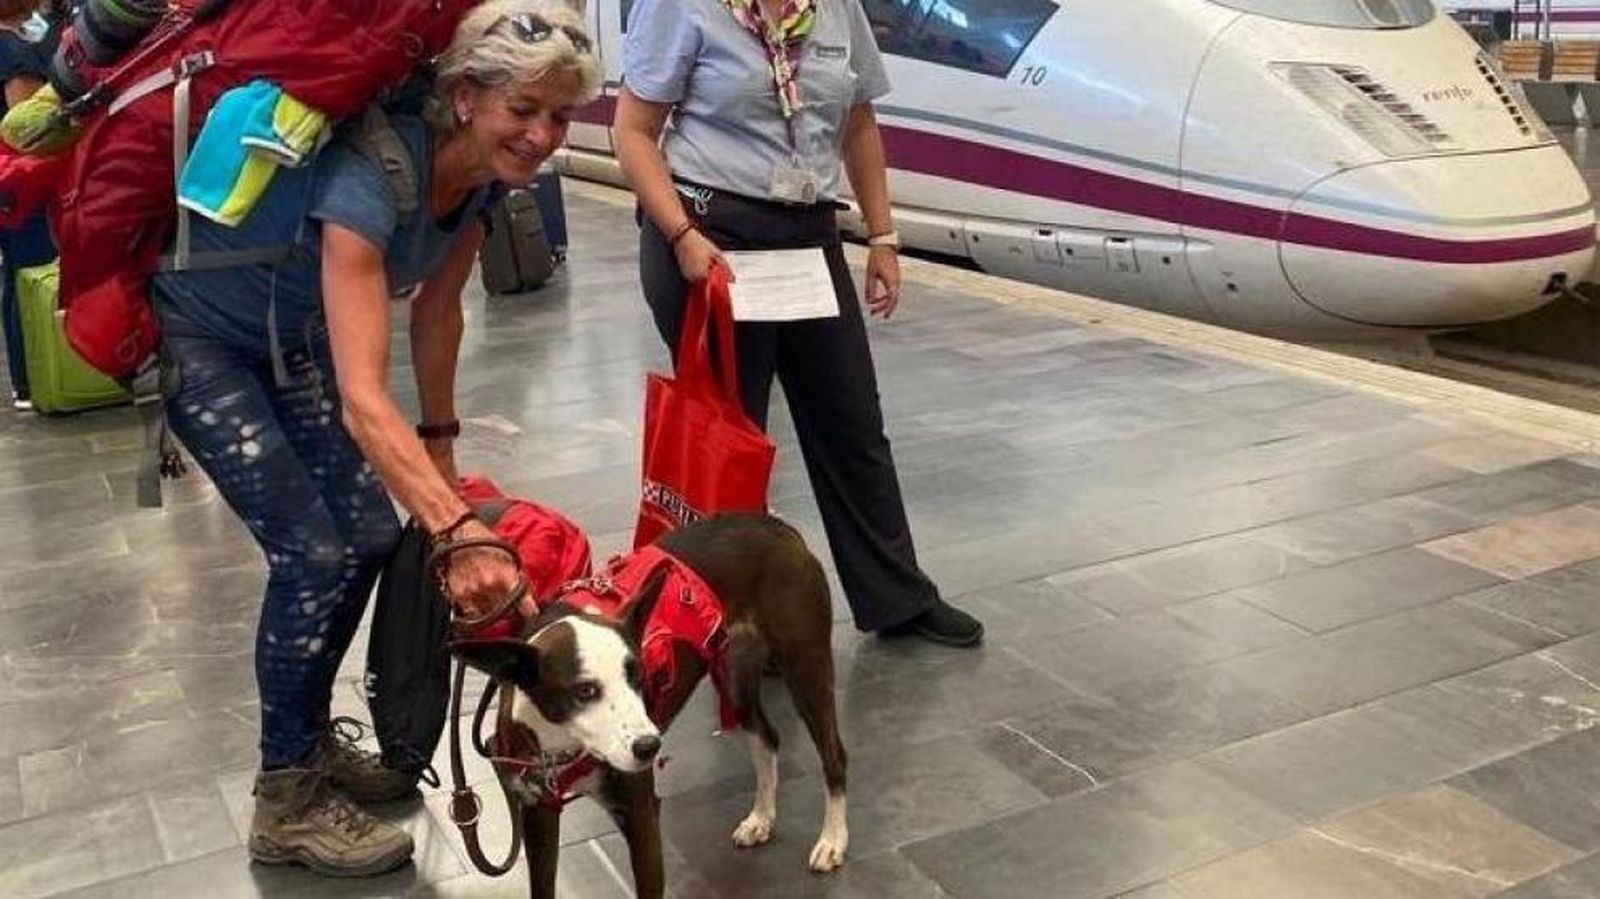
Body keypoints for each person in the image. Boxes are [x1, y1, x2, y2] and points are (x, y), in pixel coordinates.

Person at [149, 0, 599, 876]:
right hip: (205, 340)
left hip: (293, 343)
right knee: (313, 555)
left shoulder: (476, 183)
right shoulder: (370, 172)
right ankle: (286, 798)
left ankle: (306, 737)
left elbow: (437, 312)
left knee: (362, 534)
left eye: (558, 116)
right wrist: (456, 527)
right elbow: (362, 397)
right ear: (466, 97)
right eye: (524, 110)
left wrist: (441, 457)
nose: (543, 136)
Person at [614, 0, 983, 647]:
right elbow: (633, 131)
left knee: (852, 422)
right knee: (734, 436)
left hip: (807, 234)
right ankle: (735, 616)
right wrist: (680, 234)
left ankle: (897, 595)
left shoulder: (836, 8)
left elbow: (858, 121)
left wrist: (883, 235)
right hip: (711, 235)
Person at [0, 0, 60, 411]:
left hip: (6, 183)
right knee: (32, 272)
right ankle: (35, 376)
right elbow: (28, 127)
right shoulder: (14, 52)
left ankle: (26, 379)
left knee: (16, 277)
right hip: (21, 182)